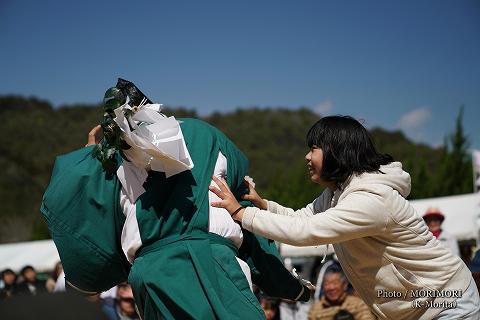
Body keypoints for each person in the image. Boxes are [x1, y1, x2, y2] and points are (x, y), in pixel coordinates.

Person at [41, 79, 310, 320]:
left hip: (150, 273)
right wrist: (292, 288)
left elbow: (70, 200)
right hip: (212, 260)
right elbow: (245, 211)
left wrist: (89, 160)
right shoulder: (206, 135)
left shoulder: (110, 158)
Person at [209, 115, 480, 319]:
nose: (306, 156)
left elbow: (308, 232)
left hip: (447, 302)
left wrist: (240, 212)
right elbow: (302, 218)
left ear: (337, 151)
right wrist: (265, 206)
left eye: (313, 148)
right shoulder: (338, 193)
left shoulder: (371, 199)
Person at [308, 266, 374, 320]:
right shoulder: (316, 309)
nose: (331, 288)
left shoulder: (358, 305)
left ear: (345, 285)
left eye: (335, 283)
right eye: (327, 284)